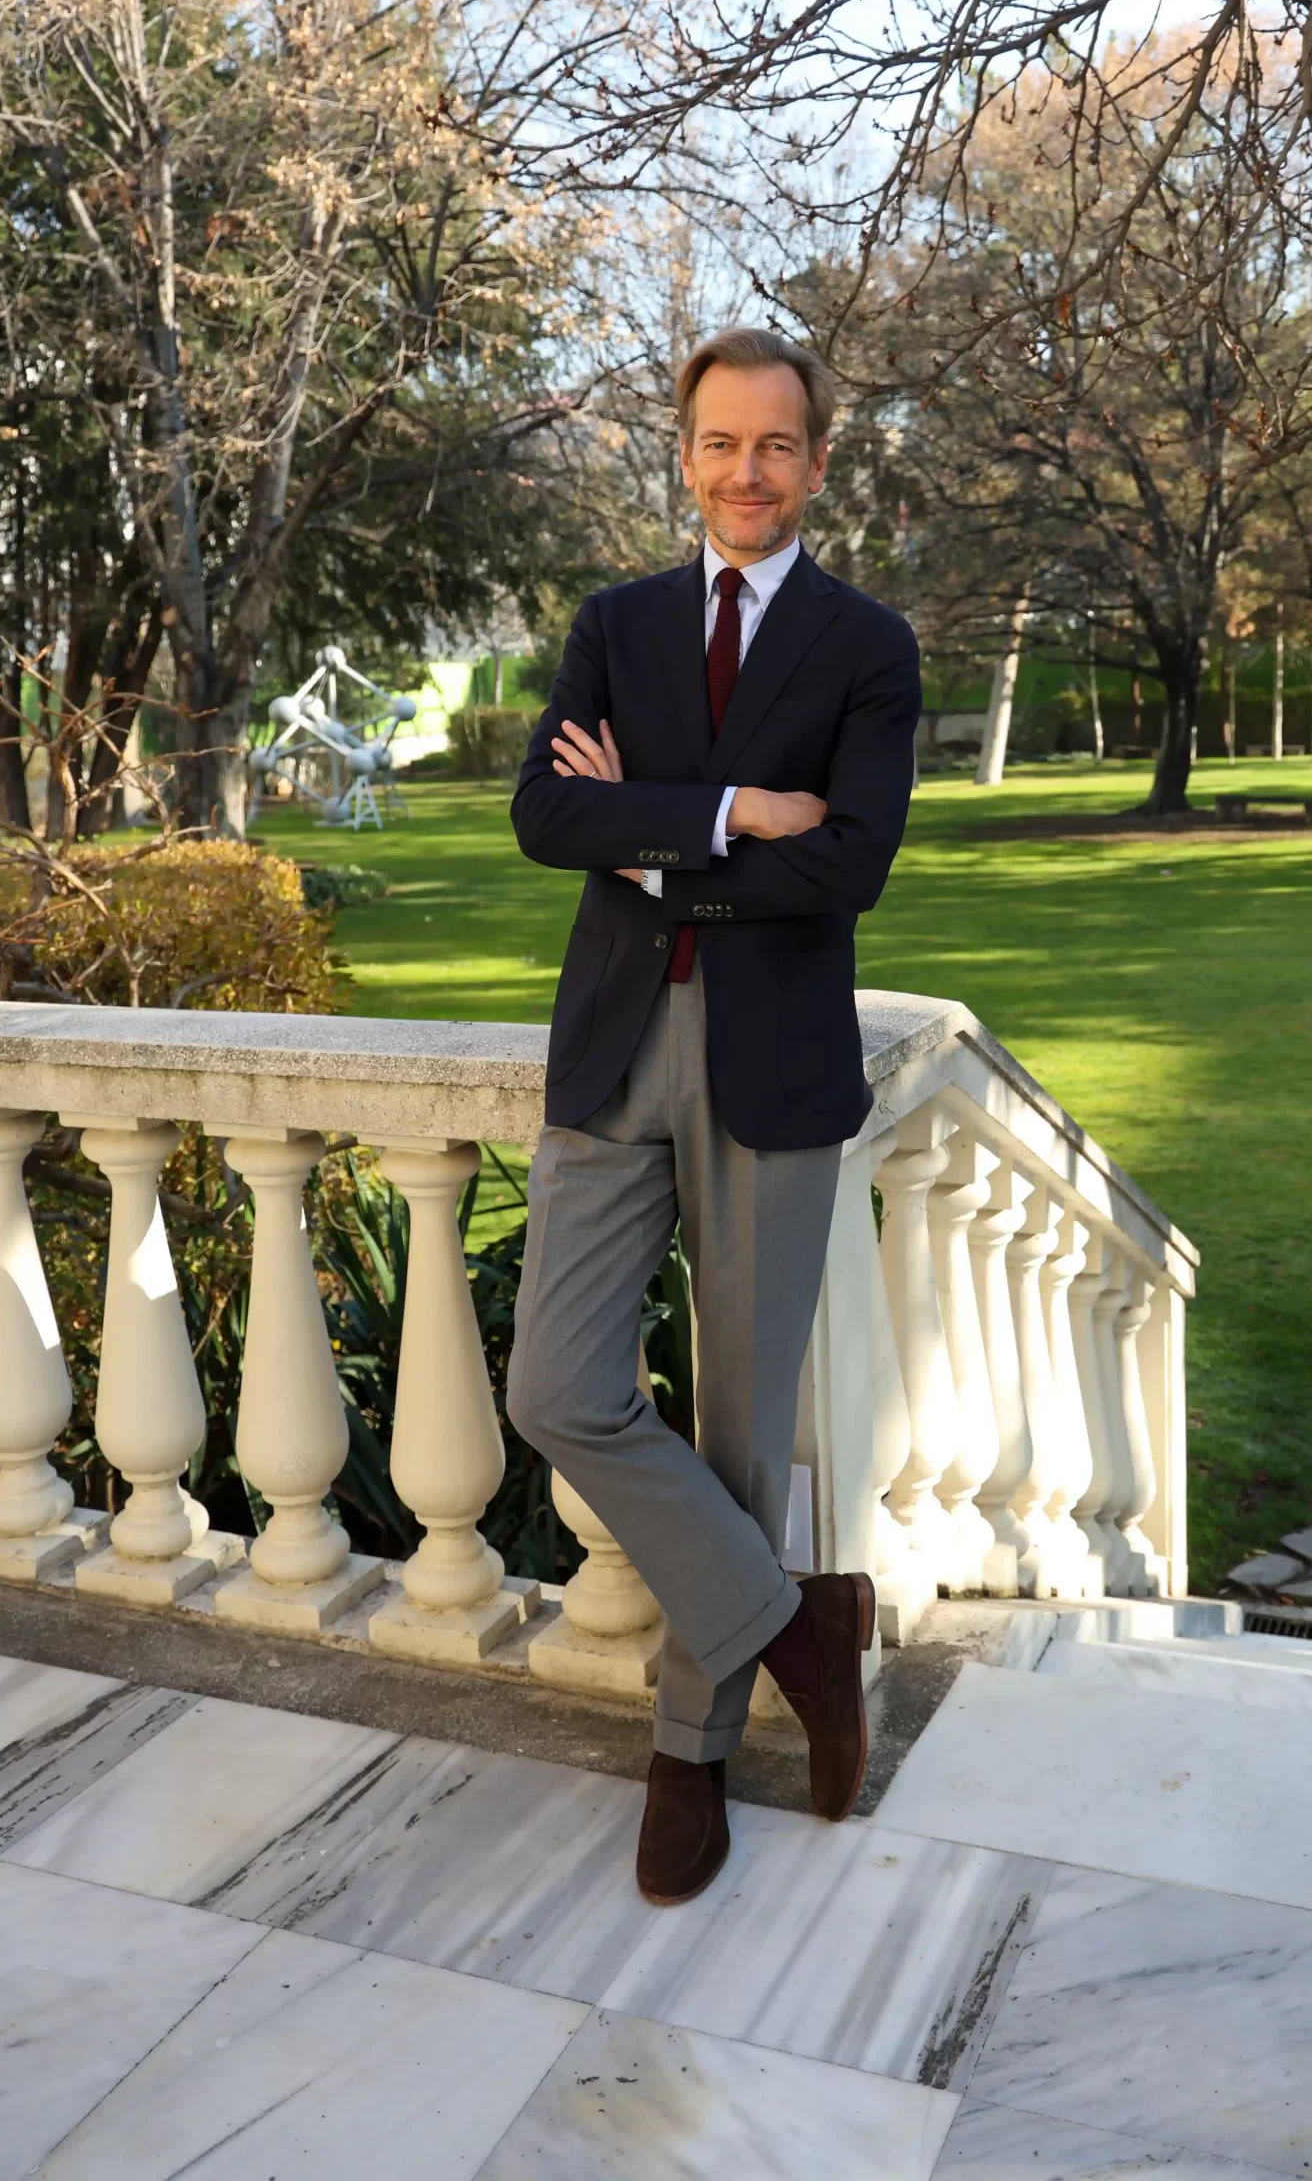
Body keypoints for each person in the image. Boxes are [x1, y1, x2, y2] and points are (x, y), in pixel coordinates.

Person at [507, 325, 922, 1904]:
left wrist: (651, 837)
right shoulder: (613, 625)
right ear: (681, 455)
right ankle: (801, 1626)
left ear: (814, 460)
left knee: (741, 1427)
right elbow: (546, 814)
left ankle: (690, 1752)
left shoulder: (865, 645)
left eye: (775, 445)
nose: (746, 472)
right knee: (558, 1389)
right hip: (613, 1051)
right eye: (719, 443)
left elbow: (852, 862)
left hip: (774, 1064)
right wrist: (739, 812)